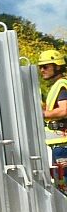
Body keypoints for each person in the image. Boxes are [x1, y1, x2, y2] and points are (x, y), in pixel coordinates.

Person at [40, 49, 67, 193]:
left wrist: (44, 113)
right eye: (40, 67)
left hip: (63, 145)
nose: (41, 70)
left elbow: (64, 110)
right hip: (57, 145)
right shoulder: (55, 87)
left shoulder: (62, 86)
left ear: (57, 66)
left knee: (63, 186)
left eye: (45, 66)